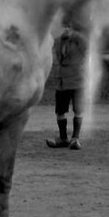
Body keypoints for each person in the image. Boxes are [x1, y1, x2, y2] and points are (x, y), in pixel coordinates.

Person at [44, 12, 89, 150]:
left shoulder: (80, 40)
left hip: (77, 80)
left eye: (69, 27)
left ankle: (75, 139)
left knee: (78, 110)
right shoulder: (58, 41)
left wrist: (75, 34)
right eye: (65, 27)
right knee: (60, 111)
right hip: (62, 80)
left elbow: (88, 45)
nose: (66, 30)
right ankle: (63, 138)